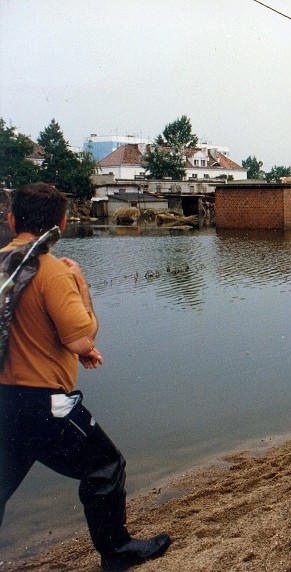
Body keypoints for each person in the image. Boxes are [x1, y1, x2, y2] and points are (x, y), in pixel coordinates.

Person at [0, 183, 171, 571]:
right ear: (60, 224)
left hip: (4, 401)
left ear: (12, 221)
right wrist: (81, 285)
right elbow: (81, 338)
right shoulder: (52, 272)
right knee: (106, 466)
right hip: (42, 403)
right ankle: (117, 552)